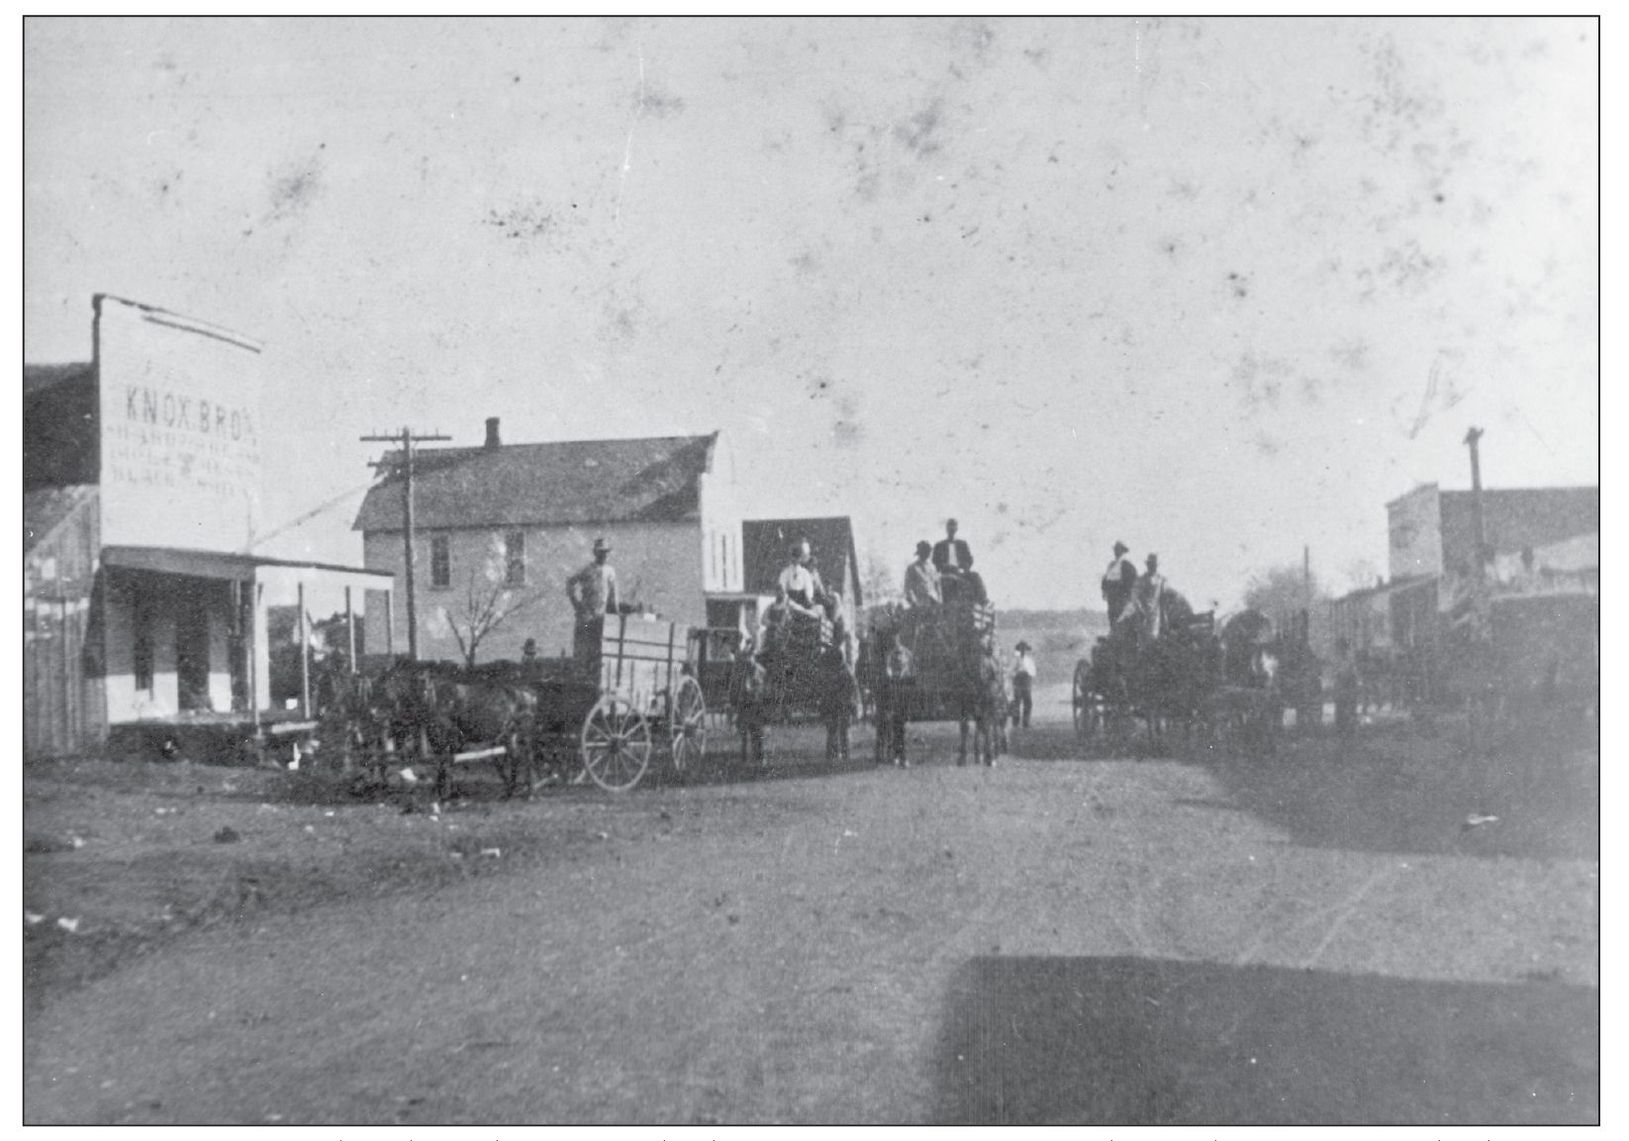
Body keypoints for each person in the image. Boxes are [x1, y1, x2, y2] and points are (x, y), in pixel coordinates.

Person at [566, 538, 619, 666]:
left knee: (600, 648)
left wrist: (615, 615)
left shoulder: (610, 571)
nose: (604, 555)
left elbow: (613, 595)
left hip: (601, 616)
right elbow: (570, 583)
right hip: (586, 615)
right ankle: (581, 672)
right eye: (601, 552)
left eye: (606, 552)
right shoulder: (587, 569)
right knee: (583, 646)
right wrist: (576, 604)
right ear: (595, 553)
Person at [776, 538, 827, 620]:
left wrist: (809, 600)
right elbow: (782, 587)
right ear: (791, 558)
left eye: (797, 557)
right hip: (789, 600)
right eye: (794, 557)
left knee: (817, 611)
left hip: (802, 601)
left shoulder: (804, 573)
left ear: (800, 558)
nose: (795, 560)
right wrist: (785, 596)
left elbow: (809, 591)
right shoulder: (785, 572)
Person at [932, 518, 976, 603]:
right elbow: (935, 560)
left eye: (953, 526)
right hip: (946, 573)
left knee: (975, 576)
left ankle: (983, 600)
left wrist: (965, 566)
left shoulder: (962, 544)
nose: (951, 529)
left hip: (959, 572)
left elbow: (969, 559)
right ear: (946, 529)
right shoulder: (940, 545)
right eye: (949, 527)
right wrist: (943, 566)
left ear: (956, 529)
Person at [1101, 541, 1138, 626]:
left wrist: (1126, 596)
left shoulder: (1127, 565)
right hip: (1111, 600)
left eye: (1118, 550)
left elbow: (1132, 582)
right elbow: (1104, 580)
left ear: (1122, 551)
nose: (1116, 552)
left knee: (1121, 622)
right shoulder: (1111, 565)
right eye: (1115, 549)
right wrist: (1104, 591)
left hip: (1121, 600)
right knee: (1112, 619)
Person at [903, 541, 942, 608]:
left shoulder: (932, 567)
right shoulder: (912, 568)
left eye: (928, 551)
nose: (927, 553)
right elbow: (908, 588)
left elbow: (937, 585)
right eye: (924, 551)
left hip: (934, 603)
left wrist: (939, 600)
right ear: (920, 553)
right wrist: (914, 602)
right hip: (919, 603)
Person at [1011, 640, 1037, 729]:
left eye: (1024, 649)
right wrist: (1017, 673)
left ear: (1026, 650)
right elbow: (1011, 671)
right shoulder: (1015, 659)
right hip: (1018, 683)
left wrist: (1028, 673)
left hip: (1026, 683)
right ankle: (1015, 722)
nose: (1022, 651)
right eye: (1021, 649)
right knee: (1016, 703)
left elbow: (1033, 672)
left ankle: (1026, 722)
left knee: (1028, 703)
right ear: (1019, 650)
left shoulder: (1029, 660)